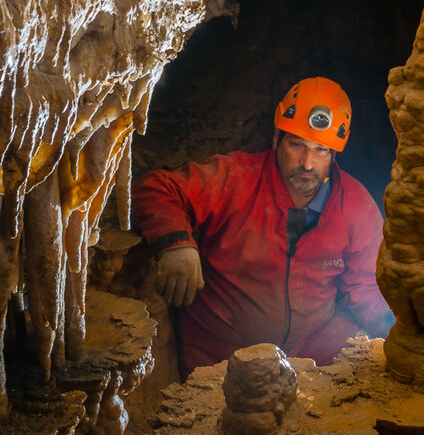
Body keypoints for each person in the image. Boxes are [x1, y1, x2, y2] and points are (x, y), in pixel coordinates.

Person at [132, 77, 390, 377]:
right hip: (221, 358)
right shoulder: (236, 179)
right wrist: (175, 244)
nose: (307, 162)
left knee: (362, 356)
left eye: (320, 150)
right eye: (296, 144)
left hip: (311, 350)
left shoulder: (355, 206)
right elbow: (155, 188)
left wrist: (399, 327)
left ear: (334, 155)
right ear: (276, 138)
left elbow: (367, 287)